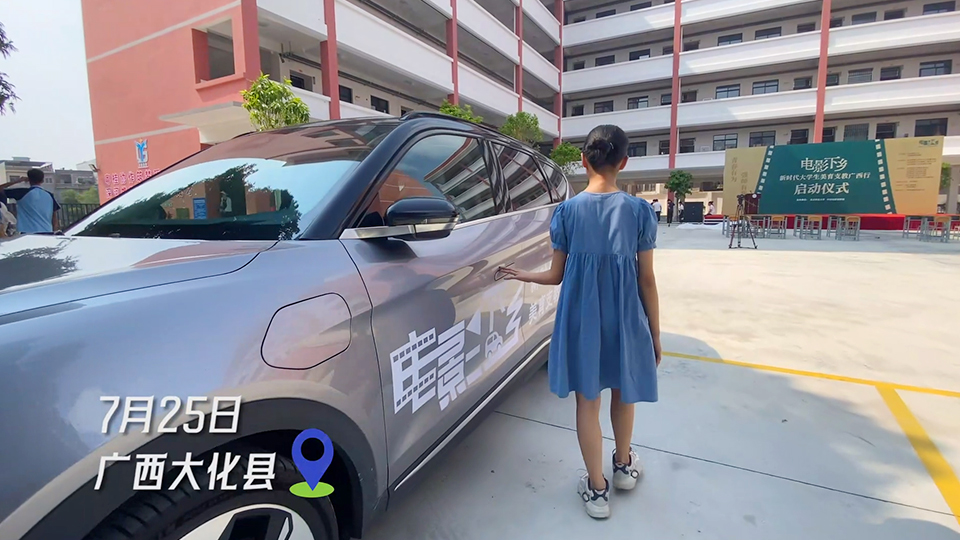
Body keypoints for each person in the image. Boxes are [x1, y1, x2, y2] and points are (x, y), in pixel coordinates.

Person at [498, 125, 661, 519]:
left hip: (583, 319)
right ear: (624, 162)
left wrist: (523, 274)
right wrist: (654, 334)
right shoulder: (639, 211)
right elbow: (647, 279)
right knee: (623, 391)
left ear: (584, 160)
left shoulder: (567, 212)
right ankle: (623, 465)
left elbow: (556, 275)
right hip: (625, 315)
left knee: (587, 401)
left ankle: (597, 489)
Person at [0, 169, 60, 234]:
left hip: (27, 233)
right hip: (47, 231)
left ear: (28, 179)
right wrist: (54, 231)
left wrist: (18, 181)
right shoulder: (50, 195)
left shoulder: (22, 193)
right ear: (42, 180)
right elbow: (54, 218)